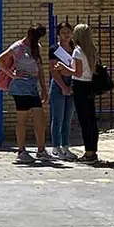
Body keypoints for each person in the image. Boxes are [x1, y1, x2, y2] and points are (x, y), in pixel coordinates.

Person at [0, 24, 52, 163]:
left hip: (32, 85)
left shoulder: (36, 47)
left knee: (39, 117)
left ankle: (41, 150)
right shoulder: (17, 47)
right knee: (22, 118)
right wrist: (12, 74)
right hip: (20, 86)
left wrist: (44, 89)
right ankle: (21, 151)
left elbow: (39, 68)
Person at [54, 23, 100, 164]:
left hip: (80, 85)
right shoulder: (92, 50)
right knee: (91, 119)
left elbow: (77, 72)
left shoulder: (78, 51)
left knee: (84, 120)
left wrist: (63, 67)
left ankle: (88, 153)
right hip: (90, 85)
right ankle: (93, 150)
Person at [49, 21, 78, 161]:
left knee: (68, 118)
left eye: (68, 32)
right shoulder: (54, 49)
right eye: (63, 32)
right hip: (59, 85)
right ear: (58, 34)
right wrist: (64, 87)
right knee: (58, 118)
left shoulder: (76, 48)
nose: (66, 35)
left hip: (73, 84)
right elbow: (54, 71)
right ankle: (56, 147)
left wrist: (71, 86)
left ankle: (65, 146)